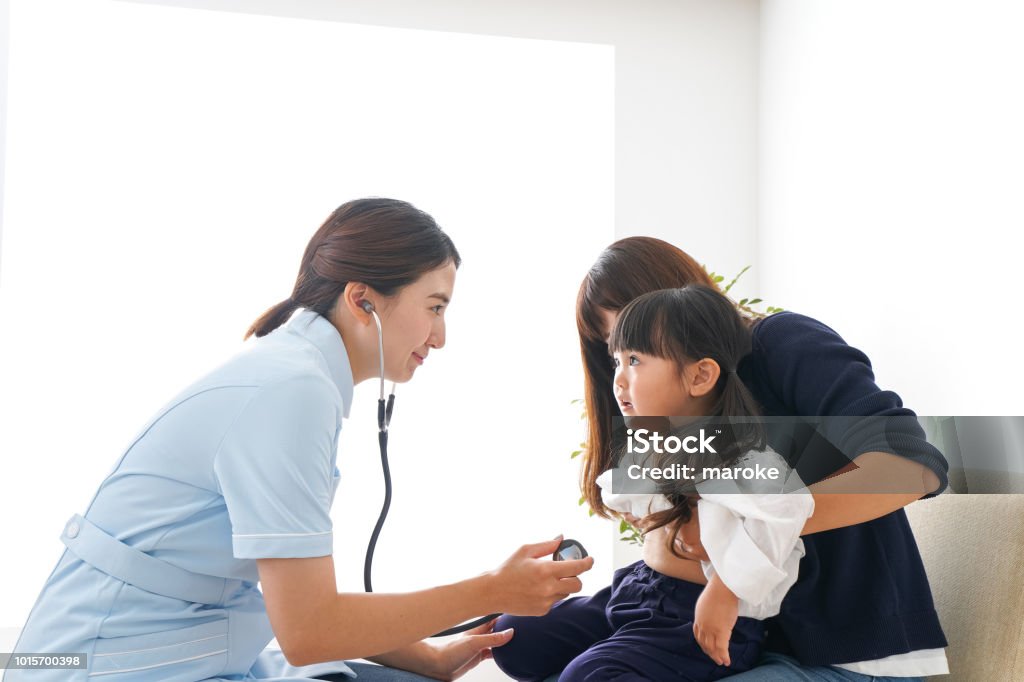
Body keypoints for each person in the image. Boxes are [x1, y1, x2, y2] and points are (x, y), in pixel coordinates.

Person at [5, 198, 593, 682]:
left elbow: (286, 597)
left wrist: (428, 656)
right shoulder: (292, 392)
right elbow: (310, 629)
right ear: (363, 300)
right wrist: (494, 589)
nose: (441, 336)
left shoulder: (295, 375)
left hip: (158, 650)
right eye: (434, 307)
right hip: (97, 663)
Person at [493, 236, 949, 681]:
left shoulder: (779, 344)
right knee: (517, 639)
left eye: (639, 349)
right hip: (719, 617)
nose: (624, 376)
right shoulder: (676, 413)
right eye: (615, 350)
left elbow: (912, 466)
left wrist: (741, 543)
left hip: (840, 650)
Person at [493, 285, 816, 681]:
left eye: (634, 360)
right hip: (641, 589)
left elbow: (789, 511)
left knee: (591, 675)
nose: (618, 379)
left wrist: (726, 589)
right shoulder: (659, 441)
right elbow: (632, 494)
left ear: (699, 376)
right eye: (616, 362)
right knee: (514, 635)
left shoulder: (746, 457)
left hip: (702, 616)